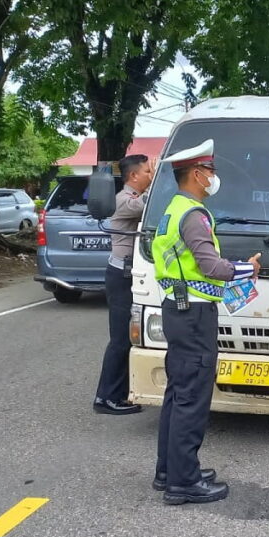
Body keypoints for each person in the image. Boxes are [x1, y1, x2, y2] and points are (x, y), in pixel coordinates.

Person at [152, 139, 261, 504]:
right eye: (211, 171)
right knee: (192, 398)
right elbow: (211, 266)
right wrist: (249, 268)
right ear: (197, 174)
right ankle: (184, 483)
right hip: (194, 315)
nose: (214, 177)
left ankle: (169, 470)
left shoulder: (173, 208)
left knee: (177, 394)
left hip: (177, 309)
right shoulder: (194, 215)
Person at [93, 154, 154, 416]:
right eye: (148, 172)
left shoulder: (130, 198)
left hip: (130, 274)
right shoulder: (124, 200)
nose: (151, 176)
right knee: (120, 339)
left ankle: (121, 393)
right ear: (133, 176)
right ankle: (105, 397)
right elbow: (149, 202)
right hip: (121, 276)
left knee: (129, 337)